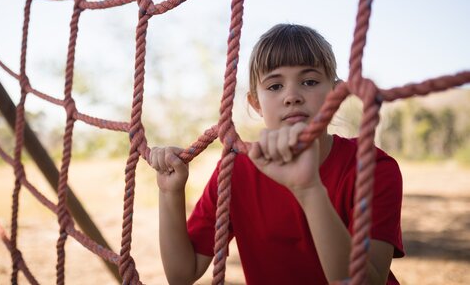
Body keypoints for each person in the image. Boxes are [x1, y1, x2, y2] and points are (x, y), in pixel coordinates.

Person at [150, 23, 404, 285]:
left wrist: (309, 189)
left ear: (336, 94)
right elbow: (181, 275)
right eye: (274, 86)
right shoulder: (235, 170)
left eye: (309, 81)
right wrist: (170, 192)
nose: (292, 96)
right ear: (256, 103)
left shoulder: (371, 167)